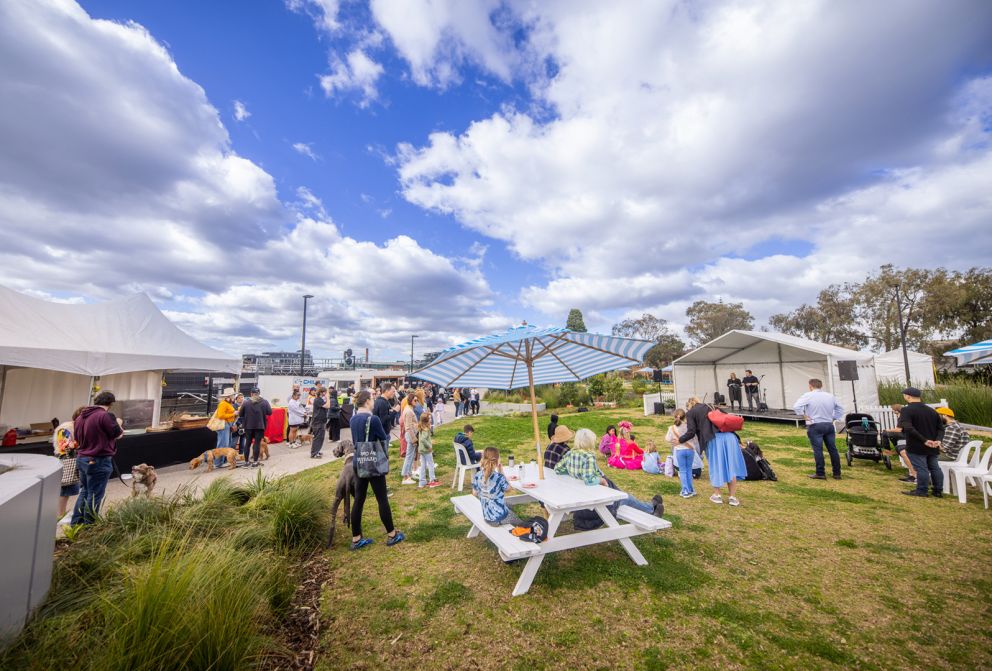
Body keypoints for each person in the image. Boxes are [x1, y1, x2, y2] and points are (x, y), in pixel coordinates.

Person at [555, 430, 664, 517]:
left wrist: (573, 472)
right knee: (626, 498)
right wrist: (601, 480)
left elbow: (557, 469)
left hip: (583, 493)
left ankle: (650, 506)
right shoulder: (588, 457)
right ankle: (650, 509)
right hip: (597, 493)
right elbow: (589, 480)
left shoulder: (570, 453)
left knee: (624, 496)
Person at [348, 390, 405, 550]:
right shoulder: (373, 419)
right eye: (372, 398)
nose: (373, 401)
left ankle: (356, 538)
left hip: (358, 461)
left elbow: (355, 441)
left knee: (359, 499)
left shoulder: (353, 419)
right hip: (373, 461)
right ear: (366, 401)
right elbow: (382, 436)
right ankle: (392, 534)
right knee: (382, 499)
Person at [71, 391, 125, 525]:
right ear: (111, 403)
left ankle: (76, 524)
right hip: (98, 460)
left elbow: (77, 438)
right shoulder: (105, 416)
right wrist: (118, 424)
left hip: (82, 458)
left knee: (85, 492)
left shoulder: (80, 417)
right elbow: (117, 434)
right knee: (94, 495)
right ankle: (90, 527)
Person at [679, 397, 745, 505]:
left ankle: (717, 495)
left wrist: (680, 440)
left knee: (715, 466)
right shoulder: (712, 406)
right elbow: (726, 421)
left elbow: (691, 432)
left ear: (689, 405)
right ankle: (732, 497)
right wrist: (738, 439)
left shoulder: (691, 412)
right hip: (729, 438)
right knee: (730, 467)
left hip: (714, 439)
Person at [792, 379, 844, 481]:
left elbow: (796, 406)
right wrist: (834, 417)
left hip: (815, 425)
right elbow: (840, 408)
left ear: (810, 386)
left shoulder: (808, 395)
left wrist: (804, 415)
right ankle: (837, 473)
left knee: (818, 450)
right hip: (829, 425)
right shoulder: (830, 396)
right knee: (833, 450)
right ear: (821, 386)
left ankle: (820, 473)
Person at [899, 387, 944, 497]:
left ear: (908, 396)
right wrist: (938, 440)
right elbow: (941, 428)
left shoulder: (906, 410)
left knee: (921, 468)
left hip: (917, 444)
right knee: (935, 467)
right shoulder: (931, 410)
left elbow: (908, 428)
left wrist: (924, 440)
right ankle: (938, 491)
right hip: (933, 445)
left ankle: (922, 490)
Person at [472, 447, 524, 527]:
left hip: (487, 516)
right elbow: (509, 489)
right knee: (521, 523)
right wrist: (501, 472)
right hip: (498, 518)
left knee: (509, 505)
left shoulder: (478, 475)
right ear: (497, 461)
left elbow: (474, 493)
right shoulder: (499, 477)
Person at [53, 407, 84, 519]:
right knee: (65, 489)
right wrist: (79, 443)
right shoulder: (66, 428)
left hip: (72, 458)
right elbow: (64, 445)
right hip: (66, 459)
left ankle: (62, 513)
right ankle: (60, 515)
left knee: (69, 489)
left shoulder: (77, 427)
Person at [880, 404, 917, 483]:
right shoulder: (904, 416)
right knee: (891, 437)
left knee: (884, 433)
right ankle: (892, 449)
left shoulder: (902, 417)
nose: (892, 411)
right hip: (907, 435)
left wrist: (888, 430)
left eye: (893, 410)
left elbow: (898, 430)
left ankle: (888, 450)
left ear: (896, 410)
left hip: (904, 435)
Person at [667, 408, 699, 498]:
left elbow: (667, 439)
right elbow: (695, 439)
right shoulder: (689, 427)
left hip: (680, 450)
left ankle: (685, 490)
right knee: (689, 470)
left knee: (683, 470)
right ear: (685, 417)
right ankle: (691, 489)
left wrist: (675, 440)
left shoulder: (672, 428)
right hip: (690, 450)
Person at [238, 387, 272, 467]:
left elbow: (240, 414)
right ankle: (255, 462)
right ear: (259, 393)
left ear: (251, 394)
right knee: (257, 443)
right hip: (259, 426)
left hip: (248, 426)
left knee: (248, 443)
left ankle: (246, 462)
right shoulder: (264, 402)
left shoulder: (246, 402)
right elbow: (269, 412)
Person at [212, 388, 238, 467]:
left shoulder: (228, 403)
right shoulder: (223, 403)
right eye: (233, 395)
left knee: (226, 444)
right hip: (224, 425)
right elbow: (220, 415)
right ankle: (218, 463)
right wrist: (233, 414)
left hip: (227, 424)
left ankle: (222, 462)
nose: (234, 396)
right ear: (229, 396)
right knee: (222, 444)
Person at [415, 412, 440, 488]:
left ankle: (422, 482)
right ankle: (432, 480)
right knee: (431, 464)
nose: (431, 419)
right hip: (426, 450)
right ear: (425, 421)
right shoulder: (426, 429)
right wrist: (429, 446)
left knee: (423, 465)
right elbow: (423, 439)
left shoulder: (421, 428)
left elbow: (421, 439)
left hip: (421, 450)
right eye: (429, 418)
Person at [400, 394, 418, 484]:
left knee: (411, 455)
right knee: (409, 456)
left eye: (417, 400)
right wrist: (414, 439)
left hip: (411, 435)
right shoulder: (409, 411)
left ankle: (409, 474)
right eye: (415, 400)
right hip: (411, 435)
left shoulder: (408, 409)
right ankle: (405, 476)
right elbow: (408, 427)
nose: (416, 402)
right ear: (410, 400)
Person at [310, 386, 327, 459]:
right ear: (321, 392)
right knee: (317, 437)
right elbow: (328, 406)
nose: (326, 393)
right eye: (325, 392)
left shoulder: (320, 399)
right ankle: (314, 453)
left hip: (321, 421)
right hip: (317, 422)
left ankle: (317, 450)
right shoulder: (317, 400)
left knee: (321, 437)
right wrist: (328, 397)